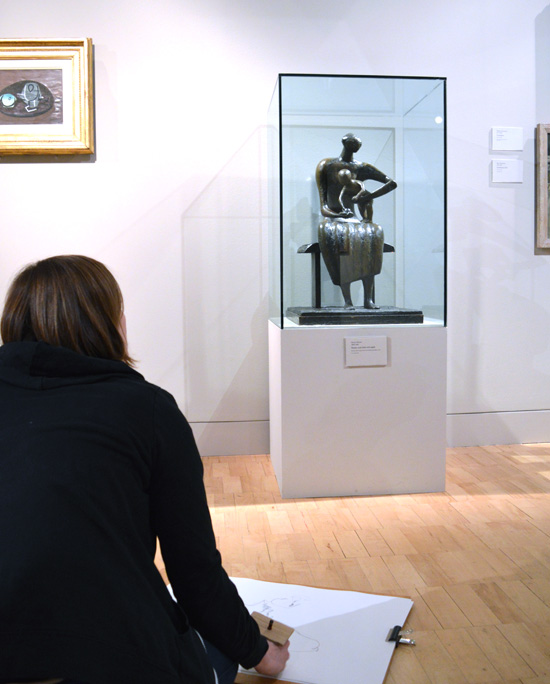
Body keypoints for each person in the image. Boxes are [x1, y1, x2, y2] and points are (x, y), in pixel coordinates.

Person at [0, 255, 290, 684]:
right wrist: (258, 651)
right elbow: (193, 576)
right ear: (107, 322)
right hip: (112, 657)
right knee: (214, 653)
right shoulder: (147, 410)